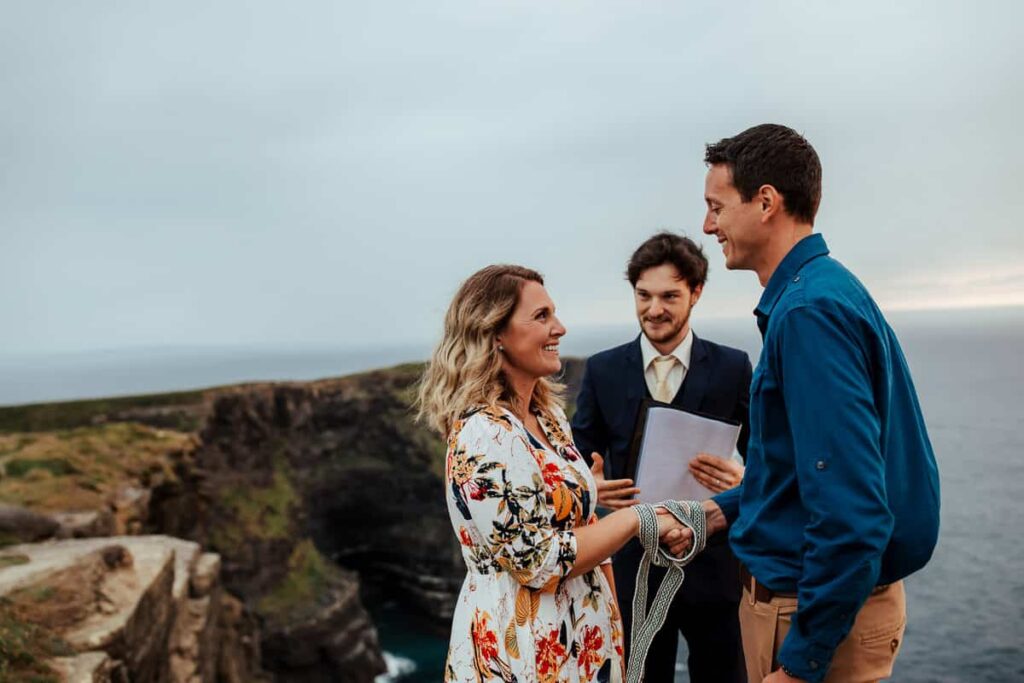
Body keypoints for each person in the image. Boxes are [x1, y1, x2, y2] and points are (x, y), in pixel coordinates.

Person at [698, 124, 941, 683]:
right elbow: (800, 474)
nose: (708, 226)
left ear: (766, 202)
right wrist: (721, 511)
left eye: (716, 207)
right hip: (816, 610)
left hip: (806, 620)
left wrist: (801, 663)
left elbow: (852, 510)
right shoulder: (827, 288)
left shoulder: (808, 313)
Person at [418, 264, 694, 683]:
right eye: (541, 316)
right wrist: (637, 519)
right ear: (495, 334)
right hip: (523, 647)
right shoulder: (484, 432)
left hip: (584, 636)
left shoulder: (548, 418)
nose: (559, 328)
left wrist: (614, 637)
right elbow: (537, 561)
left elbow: (572, 522)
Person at [572, 232, 753, 682]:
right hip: (633, 563)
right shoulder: (602, 369)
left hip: (715, 562)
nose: (654, 309)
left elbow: (768, 461)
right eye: (644, 295)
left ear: (696, 292)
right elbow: (573, 459)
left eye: (669, 296)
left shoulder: (733, 367)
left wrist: (742, 479)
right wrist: (591, 487)